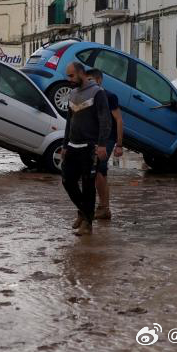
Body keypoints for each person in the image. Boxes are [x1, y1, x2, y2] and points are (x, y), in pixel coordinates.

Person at [61, 62, 112, 236]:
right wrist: (64, 145)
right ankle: (84, 212)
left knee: (88, 185)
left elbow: (106, 120)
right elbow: (69, 121)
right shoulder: (73, 93)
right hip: (73, 146)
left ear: (81, 73)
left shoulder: (98, 93)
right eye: (68, 76)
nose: (69, 80)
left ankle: (87, 224)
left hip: (90, 147)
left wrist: (102, 145)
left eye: (71, 76)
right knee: (67, 181)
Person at [86, 68, 124, 221]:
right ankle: (103, 208)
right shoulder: (88, 96)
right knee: (97, 173)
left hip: (107, 139)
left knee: (99, 171)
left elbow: (119, 120)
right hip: (93, 139)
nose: (88, 83)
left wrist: (119, 144)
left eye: (91, 80)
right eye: (86, 80)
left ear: (99, 80)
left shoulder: (109, 96)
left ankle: (103, 208)